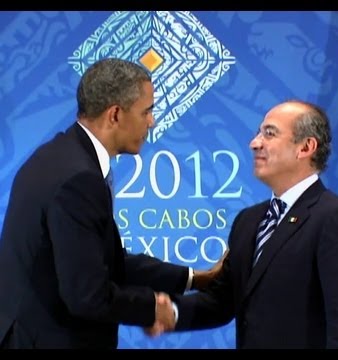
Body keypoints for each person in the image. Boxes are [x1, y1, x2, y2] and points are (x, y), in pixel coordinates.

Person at [0, 58, 222, 349]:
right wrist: (153, 308)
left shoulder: (57, 156)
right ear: (115, 114)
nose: (152, 122)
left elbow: (106, 260)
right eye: (147, 111)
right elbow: (87, 295)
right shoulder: (78, 178)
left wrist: (193, 278)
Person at [169, 100, 338, 348]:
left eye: (269, 133)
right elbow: (220, 302)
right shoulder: (248, 221)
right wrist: (162, 310)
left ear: (306, 147)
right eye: (259, 133)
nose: (255, 143)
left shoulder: (337, 219)